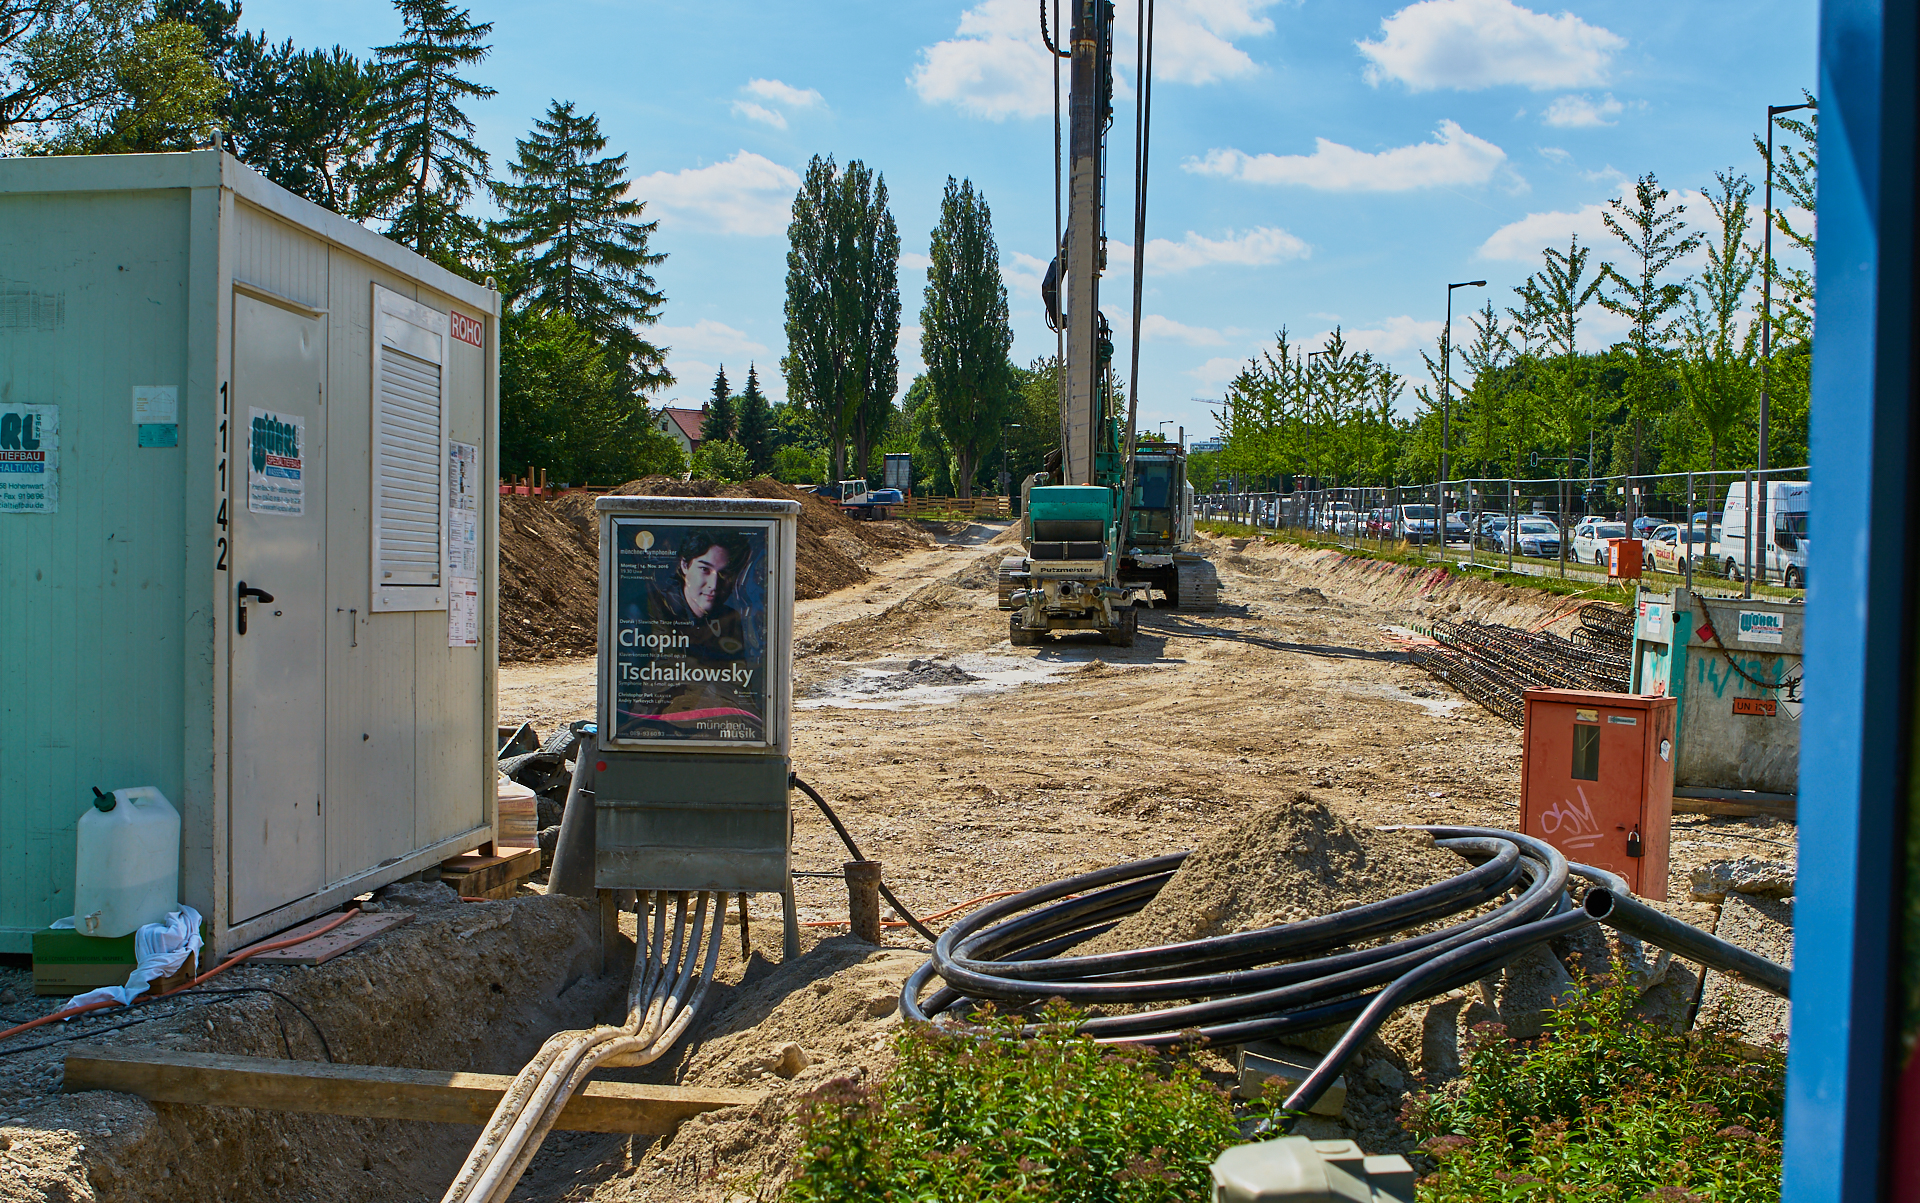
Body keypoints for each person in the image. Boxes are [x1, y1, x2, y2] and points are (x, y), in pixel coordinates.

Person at [616, 528, 765, 741]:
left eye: (723, 574)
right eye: (705, 569)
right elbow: (630, 690)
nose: (714, 585)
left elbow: (738, 681)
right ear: (684, 566)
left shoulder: (730, 618)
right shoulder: (647, 611)